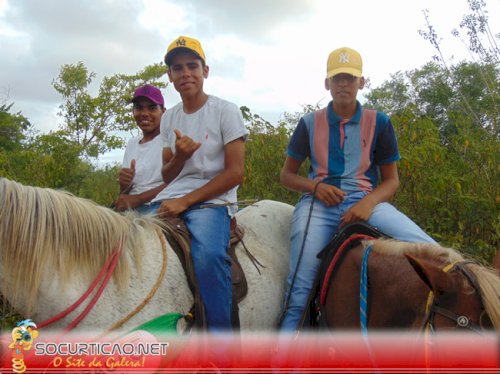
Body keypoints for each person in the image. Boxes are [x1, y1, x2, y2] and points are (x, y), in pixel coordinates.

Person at [279, 47, 437, 331]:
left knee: (432, 251)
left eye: (350, 78)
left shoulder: (380, 122)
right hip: (318, 205)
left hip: (367, 201)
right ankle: (283, 355)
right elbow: (287, 176)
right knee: (300, 283)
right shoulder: (308, 123)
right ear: (327, 84)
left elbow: (392, 180)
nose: (343, 84)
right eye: (337, 78)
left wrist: (367, 204)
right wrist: (315, 186)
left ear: (361, 83)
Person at [151, 36, 248, 331]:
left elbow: (235, 173)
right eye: (177, 68)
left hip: (212, 201)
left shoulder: (225, 111)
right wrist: (180, 156)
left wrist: (185, 201)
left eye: (192, 65)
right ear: (170, 76)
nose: (185, 73)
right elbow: (167, 175)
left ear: (205, 71)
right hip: (170, 197)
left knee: (208, 258)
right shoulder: (169, 120)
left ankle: (223, 349)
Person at [115, 84, 167, 214]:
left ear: (163, 112)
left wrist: (137, 199)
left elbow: (179, 182)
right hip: (132, 208)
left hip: (159, 204)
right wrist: (123, 184)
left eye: (152, 108)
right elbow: (126, 192)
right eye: (138, 108)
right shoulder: (132, 144)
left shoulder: (170, 139)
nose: (144, 114)